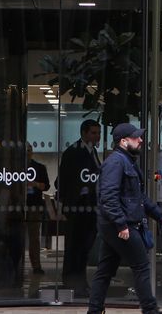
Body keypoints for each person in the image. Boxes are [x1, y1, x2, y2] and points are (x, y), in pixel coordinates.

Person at [87, 123, 162, 314]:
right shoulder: (116, 162)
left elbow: (138, 198)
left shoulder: (127, 161)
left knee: (105, 271)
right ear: (124, 141)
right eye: (136, 137)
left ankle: (94, 310)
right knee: (141, 266)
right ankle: (150, 310)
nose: (141, 140)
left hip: (117, 225)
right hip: (121, 226)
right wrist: (121, 224)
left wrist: (159, 216)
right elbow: (108, 197)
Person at [59, 119, 103, 294]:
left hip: (90, 206)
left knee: (85, 246)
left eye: (98, 133)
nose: (97, 136)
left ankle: (80, 280)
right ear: (84, 133)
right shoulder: (73, 152)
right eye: (93, 133)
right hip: (77, 206)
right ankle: (72, 281)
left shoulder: (92, 152)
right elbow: (65, 179)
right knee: (75, 246)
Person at [25, 145, 50, 275]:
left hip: (33, 204)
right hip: (19, 204)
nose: (27, 153)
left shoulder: (39, 168)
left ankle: (36, 266)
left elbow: (46, 186)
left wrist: (35, 184)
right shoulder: (15, 168)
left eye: (28, 151)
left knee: (34, 237)